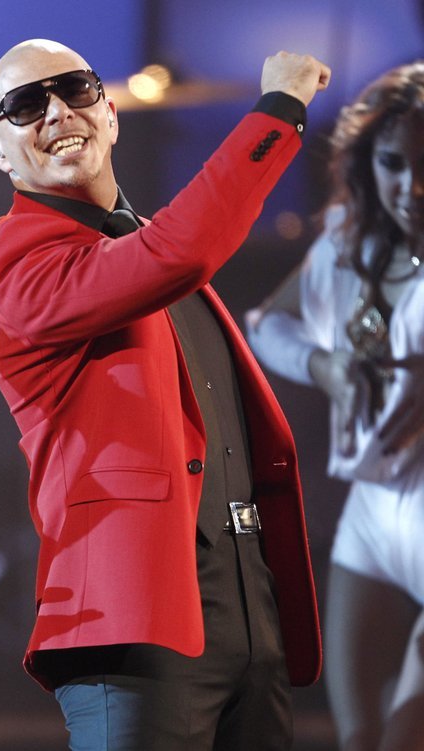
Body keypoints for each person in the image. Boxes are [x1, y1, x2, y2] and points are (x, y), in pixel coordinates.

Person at [0, 39, 330, 750]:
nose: (57, 112)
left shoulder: (145, 248)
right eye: (25, 105)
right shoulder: (25, 271)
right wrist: (278, 109)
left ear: (110, 115)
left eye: (76, 89)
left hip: (247, 608)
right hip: (133, 621)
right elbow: (184, 246)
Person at [246, 61, 424, 751]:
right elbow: (268, 324)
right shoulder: (350, 243)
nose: (411, 187)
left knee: (404, 736)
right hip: (371, 514)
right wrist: (326, 366)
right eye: (393, 164)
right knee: (359, 737)